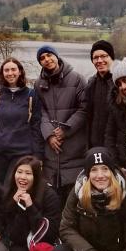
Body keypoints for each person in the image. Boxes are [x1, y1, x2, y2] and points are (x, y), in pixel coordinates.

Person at [0, 155, 62, 251]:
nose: (22, 177)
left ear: (36, 176)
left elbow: (50, 232)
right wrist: (15, 206)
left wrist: (31, 207)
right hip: (24, 239)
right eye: (19, 172)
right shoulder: (11, 193)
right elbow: (14, 235)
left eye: (28, 173)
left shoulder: (49, 194)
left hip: (47, 241)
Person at [34, 45, 88, 200]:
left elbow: (84, 109)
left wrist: (66, 129)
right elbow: (41, 111)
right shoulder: (39, 84)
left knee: (74, 197)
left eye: (49, 55)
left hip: (73, 146)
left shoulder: (77, 79)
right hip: (51, 149)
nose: (46, 60)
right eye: (42, 58)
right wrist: (49, 135)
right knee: (52, 199)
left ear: (56, 56)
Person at [0, 57, 43, 185]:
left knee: (13, 188)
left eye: (13, 69)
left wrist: (38, 155)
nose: (10, 73)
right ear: (2, 73)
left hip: (22, 153)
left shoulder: (31, 95)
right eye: (6, 70)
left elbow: (36, 127)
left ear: (20, 71)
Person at [85, 41, 126, 167]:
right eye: (95, 57)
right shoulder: (91, 83)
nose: (99, 60)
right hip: (95, 147)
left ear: (111, 58)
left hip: (116, 148)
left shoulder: (121, 83)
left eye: (104, 56)